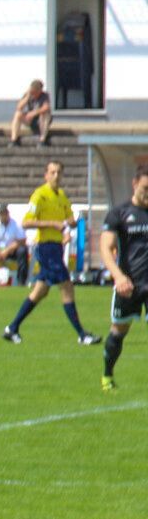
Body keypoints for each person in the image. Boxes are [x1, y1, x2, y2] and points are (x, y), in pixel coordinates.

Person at [3, 159, 98, 345]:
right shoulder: (39, 195)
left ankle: (12, 328)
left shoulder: (62, 196)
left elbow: (68, 218)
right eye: (52, 172)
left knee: (40, 292)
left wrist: (69, 224)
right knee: (67, 288)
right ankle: (82, 334)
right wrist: (52, 224)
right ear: (46, 175)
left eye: (59, 173)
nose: (56, 176)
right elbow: (26, 222)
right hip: (46, 248)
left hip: (56, 247)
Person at [98, 165, 148, 390]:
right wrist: (118, 277)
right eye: (146, 188)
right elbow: (106, 248)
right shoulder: (119, 213)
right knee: (118, 333)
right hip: (129, 284)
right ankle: (107, 376)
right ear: (135, 184)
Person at [0, 203, 30, 285]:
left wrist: (7, 250)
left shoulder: (15, 224)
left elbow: (22, 240)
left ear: (8, 214)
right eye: (1, 214)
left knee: (22, 251)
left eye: (5, 214)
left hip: (12, 250)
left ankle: (21, 281)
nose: (3, 216)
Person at [9, 79, 52, 145]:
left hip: (41, 119)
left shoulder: (45, 96)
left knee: (45, 114)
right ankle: (14, 139)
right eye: (33, 92)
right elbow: (19, 107)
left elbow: (46, 107)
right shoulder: (28, 95)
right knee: (17, 114)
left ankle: (42, 140)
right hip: (31, 119)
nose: (34, 94)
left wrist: (34, 113)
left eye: (35, 92)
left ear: (40, 90)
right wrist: (27, 97)